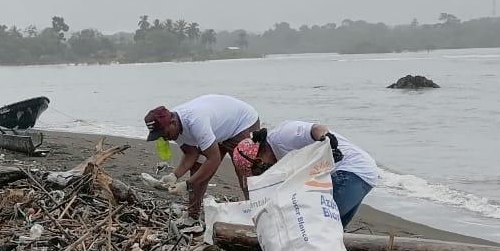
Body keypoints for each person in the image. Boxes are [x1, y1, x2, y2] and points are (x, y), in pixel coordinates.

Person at [232, 121, 379, 229]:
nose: (263, 172)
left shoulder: (282, 136)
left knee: (315, 226)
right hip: (360, 175)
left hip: (350, 170)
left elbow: (316, 128)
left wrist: (326, 140)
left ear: (258, 156)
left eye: (259, 169)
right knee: (333, 230)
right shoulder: (277, 160)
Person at [144, 95, 260, 218]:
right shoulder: (174, 127)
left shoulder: (195, 122)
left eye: (165, 134)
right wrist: (174, 175)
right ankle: (192, 217)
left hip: (241, 123)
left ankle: (258, 215)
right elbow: (191, 154)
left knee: (245, 174)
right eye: (160, 136)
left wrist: (187, 184)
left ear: (173, 123)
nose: (165, 138)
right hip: (216, 130)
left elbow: (213, 159)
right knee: (197, 170)